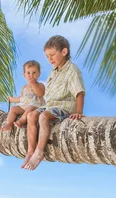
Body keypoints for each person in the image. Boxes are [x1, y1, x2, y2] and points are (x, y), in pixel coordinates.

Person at [22, 36, 85, 171]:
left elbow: (79, 92)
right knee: (31, 116)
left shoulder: (72, 70)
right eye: (47, 56)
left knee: (43, 116)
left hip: (64, 106)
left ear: (64, 52)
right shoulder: (54, 71)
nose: (50, 59)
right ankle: (30, 151)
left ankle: (39, 152)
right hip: (50, 105)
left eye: (52, 55)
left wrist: (79, 111)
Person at [1, 60, 45, 131]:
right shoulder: (24, 87)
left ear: (39, 74)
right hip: (24, 106)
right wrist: (12, 99)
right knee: (13, 109)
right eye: (28, 73)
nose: (31, 75)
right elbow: (21, 98)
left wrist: (34, 84)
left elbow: (40, 94)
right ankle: (9, 123)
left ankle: (22, 120)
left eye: (34, 73)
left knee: (30, 107)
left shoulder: (40, 85)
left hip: (35, 106)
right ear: (24, 75)